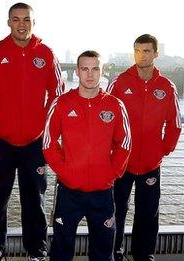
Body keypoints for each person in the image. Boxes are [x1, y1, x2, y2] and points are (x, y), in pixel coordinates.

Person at [0, 2, 64, 260]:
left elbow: (56, 95)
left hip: (34, 144)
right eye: (16, 19)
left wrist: (42, 124)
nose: (21, 24)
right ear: (8, 22)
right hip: (1, 142)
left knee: (35, 202)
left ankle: (36, 251)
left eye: (26, 19)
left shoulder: (46, 53)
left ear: (33, 22)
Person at [43, 50, 131, 261]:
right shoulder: (62, 104)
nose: (90, 75)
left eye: (95, 69)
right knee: (61, 250)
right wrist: (66, 172)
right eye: (85, 69)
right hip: (69, 191)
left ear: (103, 72)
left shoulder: (115, 105)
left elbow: (125, 144)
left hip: (102, 192)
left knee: (103, 251)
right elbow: (48, 143)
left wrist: (111, 173)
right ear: (77, 71)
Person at [107, 34, 182, 261]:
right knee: (116, 212)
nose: (142, 55)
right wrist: (111, 150)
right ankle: (114, 254)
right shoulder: (119, 82)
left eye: (147, 51)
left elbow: (175, 124)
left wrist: (163, 150)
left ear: (156, 54)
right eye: (138, 51)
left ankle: (144, 255)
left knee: (148, 215)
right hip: (121, 163)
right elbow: (104, 116)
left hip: (150, 164)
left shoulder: (166, 87)